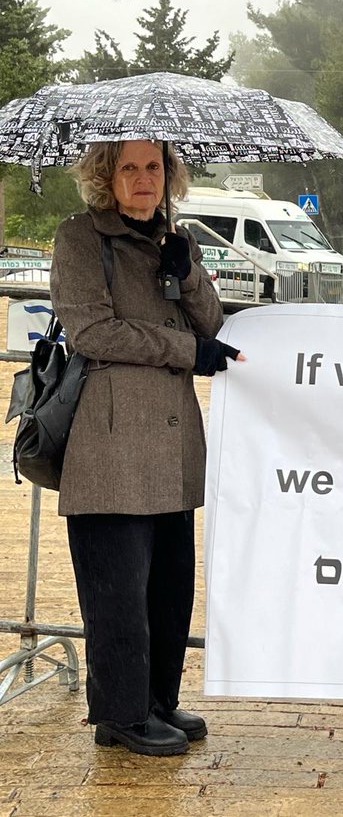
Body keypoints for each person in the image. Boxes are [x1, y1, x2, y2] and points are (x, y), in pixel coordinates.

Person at [50, 139, 244, 757]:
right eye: (128, 167)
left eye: (153, 167)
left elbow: (214, 324)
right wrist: (186, 352)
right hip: (111, 445)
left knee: (168, 589)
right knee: (118, 593)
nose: (142, 179)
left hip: (173, 443)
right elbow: (92, 330)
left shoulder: (173, 239)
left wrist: (185, 270)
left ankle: (158, 699)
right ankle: (120, 715)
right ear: (106, 176)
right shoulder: (80, 238)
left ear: (169, 174)